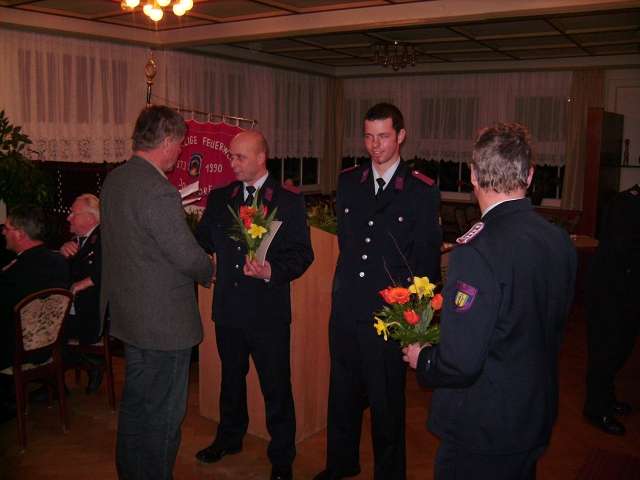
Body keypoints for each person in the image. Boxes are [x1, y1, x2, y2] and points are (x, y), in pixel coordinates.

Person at [403, 123, 577, 480]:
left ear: (472, 175)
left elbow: (461, 362)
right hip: (534, 412)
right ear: (530, 174)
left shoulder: (476, 251)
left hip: (485, 425)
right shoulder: (558, 239)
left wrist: (424, 359)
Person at [314, 103, 442, 480]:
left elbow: (426, 263)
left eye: (383, 136)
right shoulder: (349, 181)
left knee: (387, 403)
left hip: (390, 316)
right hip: (347, 308)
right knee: (342, 394)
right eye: (369, 137)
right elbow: (347, 245)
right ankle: (340, 464)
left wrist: (417, 325)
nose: (375, 145)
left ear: (401, 136)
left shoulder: (420, 189)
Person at [100, 105, 213, 480]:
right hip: (164, 325)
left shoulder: (115, 180)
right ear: (166, 142)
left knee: (136, 407)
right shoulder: (158, 190)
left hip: (130, 316)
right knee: (163, 416)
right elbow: (185, 254)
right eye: (179, 144)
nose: (180, 152)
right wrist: (210, 267)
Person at [195, 130, 314, 480]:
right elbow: (203, 240)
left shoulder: (288, 201)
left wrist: (271, 270)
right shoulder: (222, 198)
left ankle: (282, 456)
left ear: (261, 158)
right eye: (231, 156)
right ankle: (229, 437)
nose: (232, 162)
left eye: (239, 157)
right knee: (230, 380)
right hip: (229, 308)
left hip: (267, 313)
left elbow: (302, 254)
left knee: (276, 387)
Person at [583, 183, 640, 435]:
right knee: (606, 352)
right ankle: (596, 409)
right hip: (610, 292)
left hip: (624, 292)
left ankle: (607, 398)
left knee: (620, 347)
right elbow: (620, 250)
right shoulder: (627, 203)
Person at [0, 206, 70, 399]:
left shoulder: (15, 272)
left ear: (20, 234)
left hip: (19, 351)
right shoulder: (59, 262)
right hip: (51, 346)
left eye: (7, 228)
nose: (3, 232)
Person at [59, 193, 103, 394]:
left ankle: (90, 364)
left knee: (49, 335)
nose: (68, 217)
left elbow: (111, 270)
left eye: (73, 213)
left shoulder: (105, 238)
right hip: (74, 309)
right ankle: (56, 382)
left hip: (94, 312)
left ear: (90, 218)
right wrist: (62, 252)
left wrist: (82, 284)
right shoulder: (76, 240)